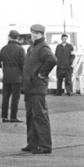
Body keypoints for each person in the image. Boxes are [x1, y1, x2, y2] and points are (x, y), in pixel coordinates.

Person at [22, 24, 57, 154]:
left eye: (38, 33)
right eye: (33, 32)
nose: (35, 35)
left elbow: (52, 60)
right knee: (31, 116)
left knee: (40, 116)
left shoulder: (42, 47)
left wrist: (42, 74)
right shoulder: (32, 47)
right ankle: (32, 144)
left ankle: (45, 146)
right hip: (30, 87)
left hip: (36, 87)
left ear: (42, 34)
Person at [0, 29, 25, 122]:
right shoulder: (21, 49)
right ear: (18, 38)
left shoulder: (3, 48)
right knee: (15, 98)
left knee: (5, 97)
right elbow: (23, 64)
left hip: (6, 76)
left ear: (9, 37)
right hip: (17, 76)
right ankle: (13, 117)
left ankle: (4, 117)